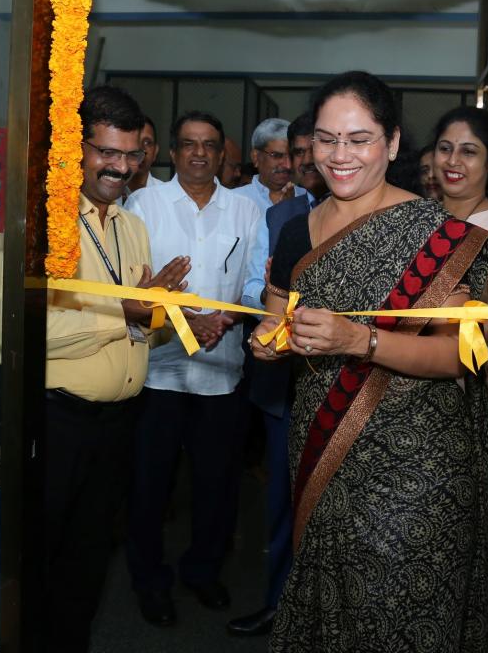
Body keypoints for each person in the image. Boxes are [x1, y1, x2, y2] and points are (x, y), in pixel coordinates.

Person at [251, 71, 488, 652]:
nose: (340, 156)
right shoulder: (295, 232)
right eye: (326, 138)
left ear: (391, 144)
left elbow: (456, 357)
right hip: (322, 451)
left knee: (401, 617)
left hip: (418, 470)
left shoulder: (439, 237)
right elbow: (276, 319)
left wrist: (357, 342)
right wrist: (269, 342)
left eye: (359, 139)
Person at [0, 85, 190, 652]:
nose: (121, 168)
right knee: (38, 564)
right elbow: (22, 338)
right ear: (72, 149)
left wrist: (171, 318)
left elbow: (136, 319)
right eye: (107, 152)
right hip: (55, 426)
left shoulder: (131, 226)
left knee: (87, 566)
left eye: (132, 155)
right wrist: (126, 310)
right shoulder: (34, 224)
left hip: (120, 424)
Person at [124, 110, 262, 627]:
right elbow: (133, 288)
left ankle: (203, 572)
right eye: (188, 144)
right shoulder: (143, 204)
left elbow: (252, 283)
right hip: (156, 370)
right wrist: (184, 318)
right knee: (149, 486)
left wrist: (233, 313)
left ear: (223, 154)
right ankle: (148, 581)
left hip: (221, 372)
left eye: (209, 145)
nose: (199, 153)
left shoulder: (245, 212)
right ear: (172, 152)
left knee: (217, 486)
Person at [229, 111, 326, 638]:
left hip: (352, 384)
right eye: (302, 153)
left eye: (319, 150)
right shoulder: (281, 218)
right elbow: (259, 289)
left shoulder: (380, 215)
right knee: (283, 502)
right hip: (284, 383)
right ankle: (278, 603)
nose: (309, 162)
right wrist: (274, 308)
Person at [432, 106, 488, 534]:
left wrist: (423, 326)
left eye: (469, 151)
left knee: (471, 521)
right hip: (415, 382)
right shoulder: (417, 219)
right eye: (445, 149)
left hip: (482, 387)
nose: (453, 162)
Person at [234, 118, 305, 212]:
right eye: (277, 155)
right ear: (255, 157)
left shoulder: (306, 199)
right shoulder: (234, 201)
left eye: (292, 156)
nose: (288, 165)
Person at [125, 116, 165, 195]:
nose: (140, 149)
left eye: (147, 143)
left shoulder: (166, 195)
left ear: (155, 152)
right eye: (134, 141)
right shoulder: (109, 192)